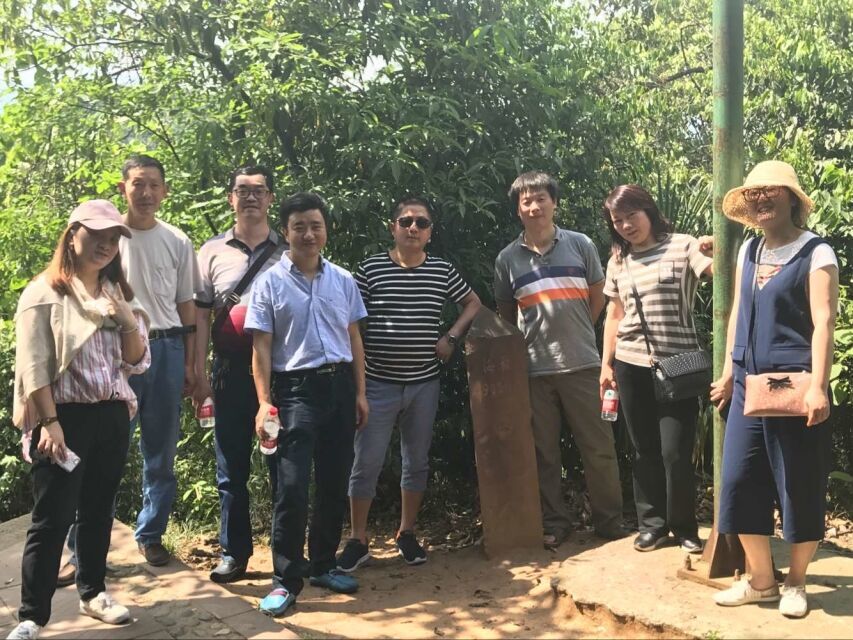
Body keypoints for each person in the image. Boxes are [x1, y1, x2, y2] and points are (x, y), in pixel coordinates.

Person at [7, 201, 150, 640]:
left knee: (98, 510)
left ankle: (93, 592)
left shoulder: (117, 294)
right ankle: (33, 615)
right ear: (72, 236)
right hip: (62, 417)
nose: (105, 245)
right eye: (96, 235)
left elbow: (136, 360)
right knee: (51, 517)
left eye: (113, 238)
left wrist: (125, 320)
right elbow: (33, 366)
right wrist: (50, 422)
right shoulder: (44, 294)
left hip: (112, 414)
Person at [58, 155, 199, 582]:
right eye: (138, 183)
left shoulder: (177, 240)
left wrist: (193, 362)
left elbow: (187, 305)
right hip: (111, 354)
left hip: (167, 349)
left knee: (161, 449)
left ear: (165, 191)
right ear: (123, 188)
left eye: (154, 184)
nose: (146, 193)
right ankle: (79, 550)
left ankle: (151, 532)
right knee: (96, 451)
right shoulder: (106, 237)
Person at [709, 161, 838, 618]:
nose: (761, 199)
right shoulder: (749, 250)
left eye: (771, 191)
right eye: (754, 193)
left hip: (795, 387)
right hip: (749, 387)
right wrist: (730, 371)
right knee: (739, 481)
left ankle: (796, 583)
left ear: (792, 199)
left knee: (799, 484)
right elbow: (737, 312)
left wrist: (818, 386)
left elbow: (824, 321)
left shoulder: (817, 252)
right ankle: (762, 581)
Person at [337, 197, 481, 572]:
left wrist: (451, 337)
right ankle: (358, 540)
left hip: (423, 383)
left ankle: (407, 532)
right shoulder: (370, 269)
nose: (413, 228)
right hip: (377, 383)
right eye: (406, 221)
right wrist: (357, 381)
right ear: (393, 227)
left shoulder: (441, 270)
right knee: (366, 462)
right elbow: (349, 320)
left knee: (416, 461)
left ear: (430, 232)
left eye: (421, 223)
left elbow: (473, 303)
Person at [244, 192, 369, 616]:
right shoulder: (269, 283)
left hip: (339, 387)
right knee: (292, 487)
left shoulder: (343, 280)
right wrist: (264, 403)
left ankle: (323, 564)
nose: (308, 234)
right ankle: (285, 580)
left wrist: (360, 393)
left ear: (325, 230)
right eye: (299, 227)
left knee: (334, 482)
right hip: (295, 391)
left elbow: (354, 338)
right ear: (286, 231)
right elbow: (261, 348)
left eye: (316, 226)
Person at [493, 171, 625, 548]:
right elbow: (506, 316)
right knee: (544, 454)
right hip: (534, 370)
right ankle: (555, 521)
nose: (534, 206)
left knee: (598, 448)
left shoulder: (580, 245)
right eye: (526, 201)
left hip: (583, 363)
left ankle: (609, 523)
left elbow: (598, 297)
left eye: (541, 199)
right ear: (518, 209)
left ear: (554, 202)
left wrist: (580, 328)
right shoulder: (507, 259)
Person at [598, 185, 713, 554]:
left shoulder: (683, 245)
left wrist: (718, 248)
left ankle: (684, 527)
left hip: (677, 365)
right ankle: (652, 525)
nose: (626, 225)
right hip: (630, 363)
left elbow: (716, 271)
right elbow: (614, 315)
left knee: (675, 452)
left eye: (631, 215)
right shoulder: (618, 261)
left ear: (648, 210)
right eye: (618, 220)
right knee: (643, 449)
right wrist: (607, 364)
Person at [194, 165, 286, 583]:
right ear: (231, 198)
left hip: (278, 372)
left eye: (259, 190)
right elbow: (199, 316)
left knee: (281, 465)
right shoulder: (211, 251)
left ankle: (286, 553)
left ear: (270, 198)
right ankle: (234, 553)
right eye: (242, 190)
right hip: (229, 371)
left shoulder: (287, 251)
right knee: (231, 467)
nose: (250, 197)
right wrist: (198, 371)